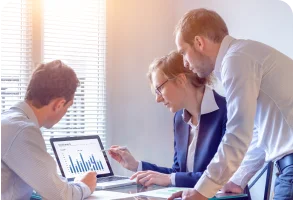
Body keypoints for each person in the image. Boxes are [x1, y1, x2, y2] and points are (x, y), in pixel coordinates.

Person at [169, 8, 293, 200]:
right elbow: (259, 134)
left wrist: (202, 190)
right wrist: (237, 179)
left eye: (184, 52)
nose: (185, 63)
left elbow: (237, 133)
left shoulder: (236, 59)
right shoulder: (244, 54)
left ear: (199, 42)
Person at [109, 51, 228, 188]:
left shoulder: (228, 112)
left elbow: (222, 176)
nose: (157, 99)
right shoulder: (180, 119)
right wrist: (136, 165)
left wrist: (171, 178)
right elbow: (178, 174)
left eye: (159, 89)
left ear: (181, 80)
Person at [0, 60, 97, 200]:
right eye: (67, 107)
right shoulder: (23, 131)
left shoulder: (8, 121)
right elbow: (61, 196)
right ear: (59, 104)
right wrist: (84, 185)